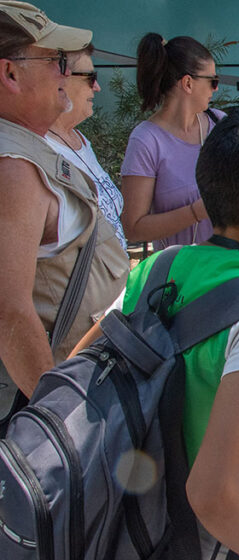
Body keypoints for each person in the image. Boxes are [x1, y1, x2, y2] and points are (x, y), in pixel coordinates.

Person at [80, 107, 239, 560]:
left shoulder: (160, 266)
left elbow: (78, 367)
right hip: (212, 547)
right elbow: (213, 490)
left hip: (129, 517)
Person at [0, 2, 127, 426]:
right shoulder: (13, 167)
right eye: (56, 60)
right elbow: (9, 311)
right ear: (10, 74)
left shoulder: (21, 149)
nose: (65, 73)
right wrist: (62, 425)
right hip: (67, 400)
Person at [121, 33, 223, 249]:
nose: (216, 88)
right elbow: (133, 228)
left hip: (230, 267)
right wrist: (196, 212)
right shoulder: (146, 140)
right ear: (187, 83)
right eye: (213, 81)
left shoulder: (220, 122)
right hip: (180, 275)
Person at [45, 44, 126, 250]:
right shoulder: (41, 147)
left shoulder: (80, 139)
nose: (97, 86)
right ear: (61, 80)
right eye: (90, 77)